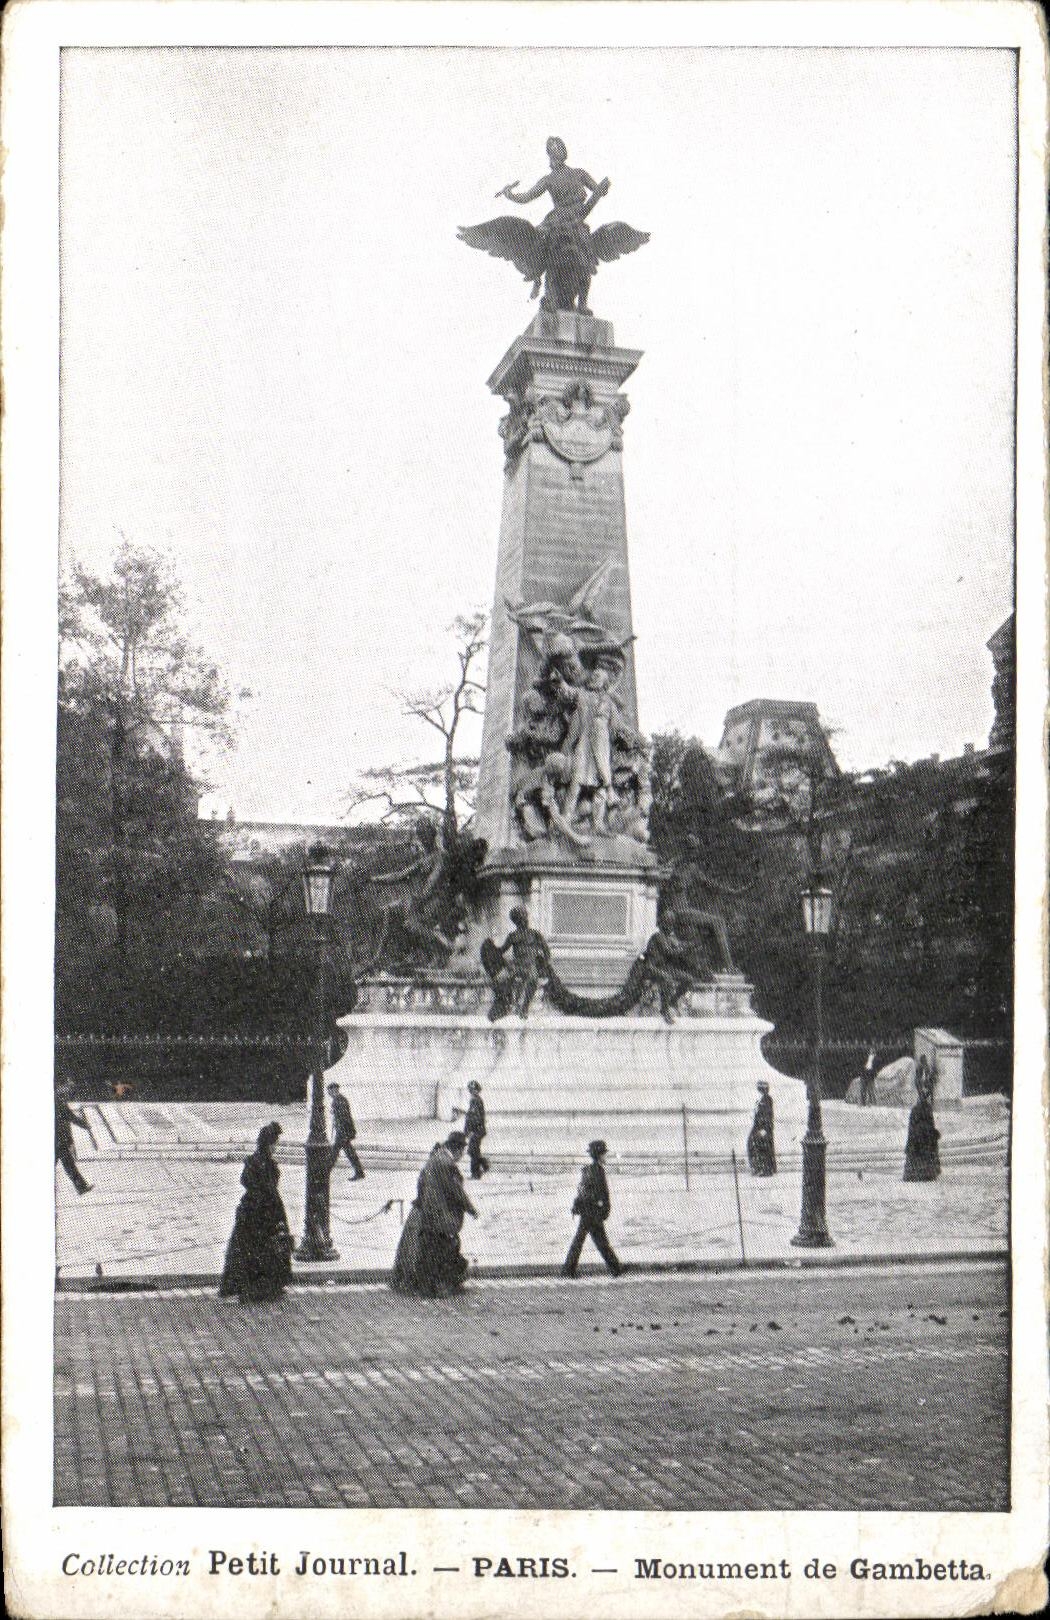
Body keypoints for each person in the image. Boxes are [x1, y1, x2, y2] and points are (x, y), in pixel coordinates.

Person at [391, 1132, 478, 1297]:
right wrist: (471, 1209)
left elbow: (421, 1183)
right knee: (444, 1250)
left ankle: (428, 1286)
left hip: (428, 1213)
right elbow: (456, 1191)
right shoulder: (447, 1164)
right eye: (462, 1152)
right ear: (458, 1149)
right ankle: (440, 1286)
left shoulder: (434, 1159)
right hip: (441, 1215)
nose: (462, 1156)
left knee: (430, 1251)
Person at [219, 1122, 294, 1301]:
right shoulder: (269, 1165)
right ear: (269, 1143)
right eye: (275, 1143)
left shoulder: (252, 1161)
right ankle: (266, 1286)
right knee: (267, 1247)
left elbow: (244, 1181)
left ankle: (245, 1285)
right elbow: (271, 1190)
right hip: (265, 1210)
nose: (276, 1147)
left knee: (246, 1248)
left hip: (250, 1208)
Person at [562, 1140, 622, 1278]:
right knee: (594, 1241)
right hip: (592, 1211)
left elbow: (583, 1190)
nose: (605, 1156)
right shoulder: (598, 1171)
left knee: (592, 1240)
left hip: (586, 1210)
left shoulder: (587, 1170)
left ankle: (615, 1268)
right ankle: (615, 1268)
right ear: (599, 1155)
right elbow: (602, 1193)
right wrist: (604, 1208)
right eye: (604, 1154)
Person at [487, 905, 551, 1020]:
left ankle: (524, 1007)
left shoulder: (535, 934)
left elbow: (546, 950)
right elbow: (501, 951)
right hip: (516, 965)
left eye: (525, 916)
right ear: (516, 921)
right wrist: (492, 947)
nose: (525, 919)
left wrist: (544, 964)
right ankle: (507, 1005)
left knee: (532, 979)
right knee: (500, 979)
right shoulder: (513, 936)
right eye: (521, 917)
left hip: (530, 965)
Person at [641, 912, 695, 1024]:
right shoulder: (658, 936)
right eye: (668, 923)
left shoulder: (668, 937)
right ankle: (664, 1010)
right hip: (651, 967)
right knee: (667, 979)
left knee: (688, 979)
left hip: (664, 968)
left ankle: (673, 1001)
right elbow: (669, 951)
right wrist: (684, 949)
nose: (671, 926)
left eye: (671, 923)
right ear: (663, 924)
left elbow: (678, 945)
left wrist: (688, 945)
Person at [55, 1086, 94, 1194]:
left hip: (59, 1141)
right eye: (64, 1095)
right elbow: (72, 1117)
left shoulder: (57, 1104)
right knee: (69, 1166)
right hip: (60, 1141)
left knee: (69, 1165)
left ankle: (81, 1187)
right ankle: (81, 1187)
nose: (65, 1097)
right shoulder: (60, 1105)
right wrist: (85, 1125)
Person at [327, 1082, 365, 1180]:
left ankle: (325, 1173)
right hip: (343, 1131)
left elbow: (344, 1117)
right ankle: (359, 1172)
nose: (328, 1094)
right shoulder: (340, 1099)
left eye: (329, 1091)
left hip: (343, 1131)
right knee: (349, 1152)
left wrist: (343, 1131)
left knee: (334, 1153)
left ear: (334, 1090)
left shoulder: (338, 1100)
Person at [903, 1089, 941, 1182]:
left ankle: (913, 1175)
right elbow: (930, 1124)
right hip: (925, 1137)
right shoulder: (927, 1109)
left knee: (916, 1157)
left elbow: (912, 1125)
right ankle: (927, 1174)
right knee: (926, 1155)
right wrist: (933, 1133)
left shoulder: (915, 1109)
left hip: (916, 1137)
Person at [746, 1081, 777, 1176]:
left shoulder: (767, 1099)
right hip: (758, 1127)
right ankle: (758, 1168)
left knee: (763, 1148)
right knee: (755, 1146)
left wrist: (765, 1129)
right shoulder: (761, 1099)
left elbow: (768, 1115)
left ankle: (765, 1170)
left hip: (763, 1128)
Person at [461, 1081, 489, 1180]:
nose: (472, 1091)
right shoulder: (476, 1100)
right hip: (478, 1130)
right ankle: (484, 1164)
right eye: (471, 1090)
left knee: (473, 1152)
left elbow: (474, 1117)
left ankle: (476, 1173)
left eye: (474, 1089)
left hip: (476, 1130)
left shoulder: (475, 1100)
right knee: (473, 1151)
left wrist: (469, 1130)